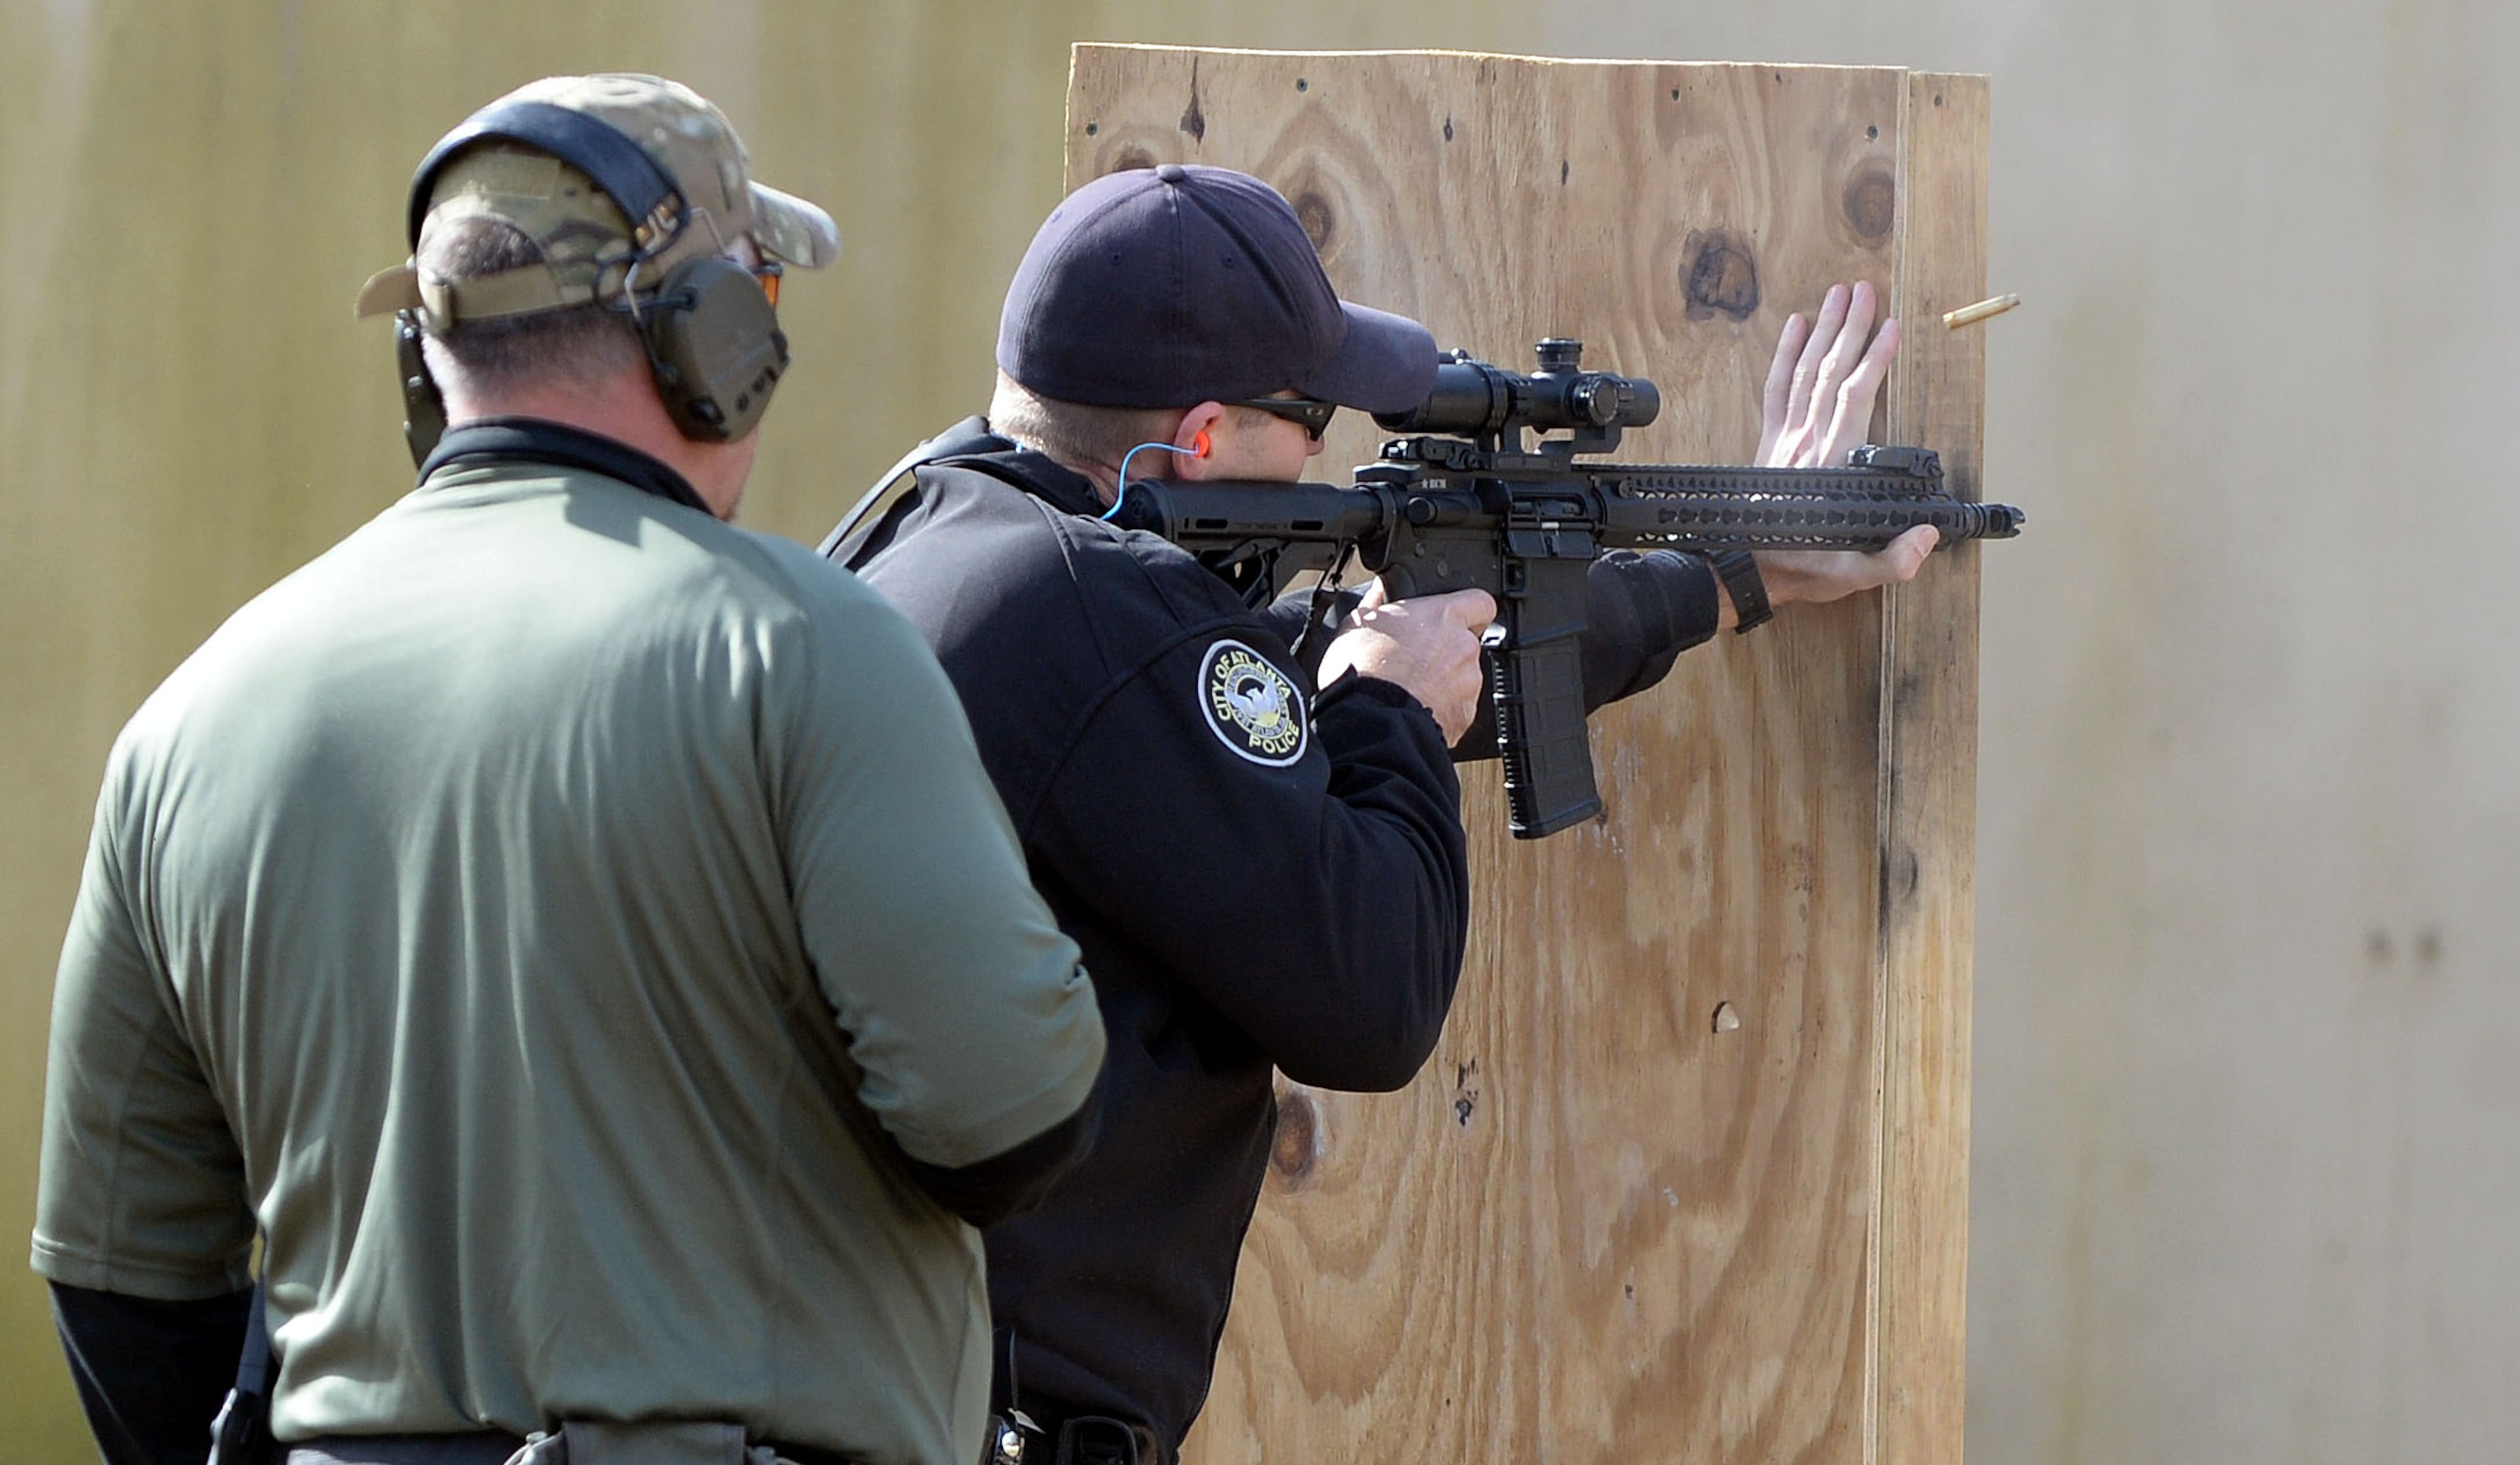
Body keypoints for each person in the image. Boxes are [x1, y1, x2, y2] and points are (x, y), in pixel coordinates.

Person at [33, 73, 1107, 1465]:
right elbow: (1009, 1122)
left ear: (426, 360)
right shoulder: (803, 645)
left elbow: (118, 1277)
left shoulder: (188, 721)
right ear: (721, 342)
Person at [822, 163, 1932, 1465]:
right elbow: (1371, 988)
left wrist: (1738, 565)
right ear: (1198, 440)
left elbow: (1289, 695)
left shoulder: (941, 548)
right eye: (1307, 414)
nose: (1329, 453)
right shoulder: (1103, 615)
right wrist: (1393, 708)